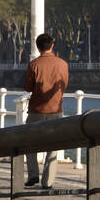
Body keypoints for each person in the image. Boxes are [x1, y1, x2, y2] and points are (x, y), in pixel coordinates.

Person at [23, 32, 70, 188]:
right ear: (52, 46)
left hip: (36, 110)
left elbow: (28, 87)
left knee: (29, 143)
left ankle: (33, 174)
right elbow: (64, 85)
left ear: (37, 47)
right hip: (56, 110)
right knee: (53, 146)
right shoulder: (63, 64)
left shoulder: (34, 65)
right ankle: (48, 181)